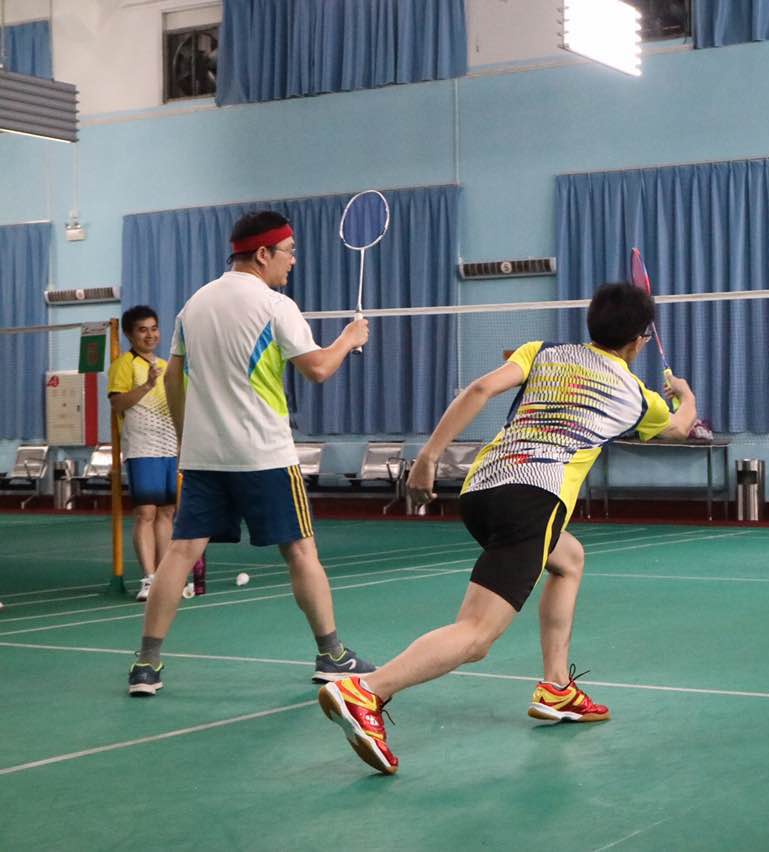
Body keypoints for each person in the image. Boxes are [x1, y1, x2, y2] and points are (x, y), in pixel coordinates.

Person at [317, 282, 698, 775]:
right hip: (534, 500)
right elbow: (681, 428)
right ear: (640, 340)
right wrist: (684, 394)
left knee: (568, 559)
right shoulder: (638, 398)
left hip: (481, 490)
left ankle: (556, 687)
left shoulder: (544, 352)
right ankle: (367, 691)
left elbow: (479, 390)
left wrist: (428, 458)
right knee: (476, 636)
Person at [126, 211, 374, 696]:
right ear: (263, 253)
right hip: (265, 455)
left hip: (204, 458)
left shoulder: (194, 305)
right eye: (289, 252)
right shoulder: (276, 305)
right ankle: (332, 655)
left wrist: (187, 439)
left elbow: (173, 377)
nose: (293, 261)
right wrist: (349, 338)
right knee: (300, 550)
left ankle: (146, 665)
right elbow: (318, 369)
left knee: (180, 552)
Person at [108, 305, 193, 601]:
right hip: (142, 446)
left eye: (154, 329)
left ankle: (165, 577)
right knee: (146, 512)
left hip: (169, 445)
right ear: (130, 334)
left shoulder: (168, 366)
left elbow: (180, 405)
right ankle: (149, 578)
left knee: (167, 512)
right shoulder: (124, 365)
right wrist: (148, 385)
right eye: (142, 330)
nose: (150, 335)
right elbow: (117, 404)